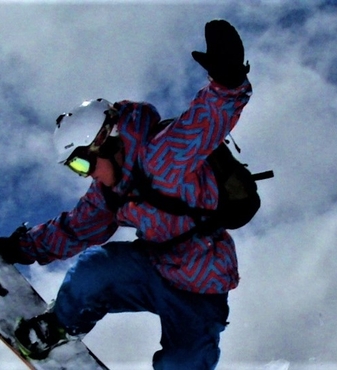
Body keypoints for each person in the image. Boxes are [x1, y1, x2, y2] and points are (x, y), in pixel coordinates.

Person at [0, 19, 252, 369]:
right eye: (75, 169)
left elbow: (204, 123)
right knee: (94, 270)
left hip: (203, 286)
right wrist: (18, 248)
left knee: (187, 360)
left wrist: (228, 81)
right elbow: (75, 228)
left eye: (83, 165)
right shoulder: (110, 191)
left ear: (107, 143)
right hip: (153, 268)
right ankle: (57, 330)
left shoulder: (164, 157)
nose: (86, 176)